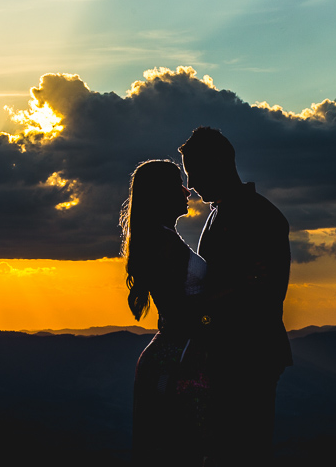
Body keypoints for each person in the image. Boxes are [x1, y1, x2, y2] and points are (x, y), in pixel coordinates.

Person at [179, 126, 291, 466]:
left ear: (218, 162)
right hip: (229, 353)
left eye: (194, 172)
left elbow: (262, 291)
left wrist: (198, 309)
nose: (192, 185)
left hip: (248, 354)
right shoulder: (220, 211)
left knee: (244, 448)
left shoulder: (258, 215)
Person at [122, 159, 210, 466]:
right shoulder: (163, 243)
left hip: (174, 354)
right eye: (177, 184)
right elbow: (181, 314)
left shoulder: (163, 238)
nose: (187, 190)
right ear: (161, 193)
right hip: (178, 361)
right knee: (181, 450)